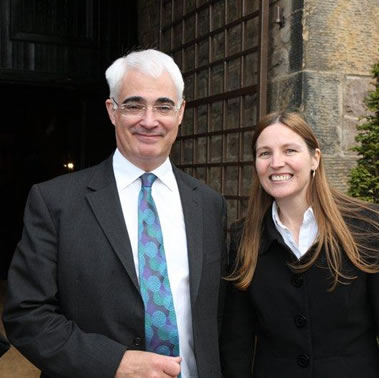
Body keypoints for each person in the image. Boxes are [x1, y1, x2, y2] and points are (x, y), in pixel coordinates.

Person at [3, 49, 227, 378]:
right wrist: (113, 363)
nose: (149, 120)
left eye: (163, 106)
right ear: (112, 111)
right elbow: (26, 316)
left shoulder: (209, 205)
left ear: (181, 112)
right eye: (134, 105)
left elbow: (223, 317)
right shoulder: (55, 202)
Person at [220, 111, 379, 377]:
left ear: (315, 158)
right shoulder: (244, 238)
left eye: (290, 150)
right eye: (264, 153)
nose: (276, 162)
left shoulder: (366, 225)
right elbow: (237, 345)